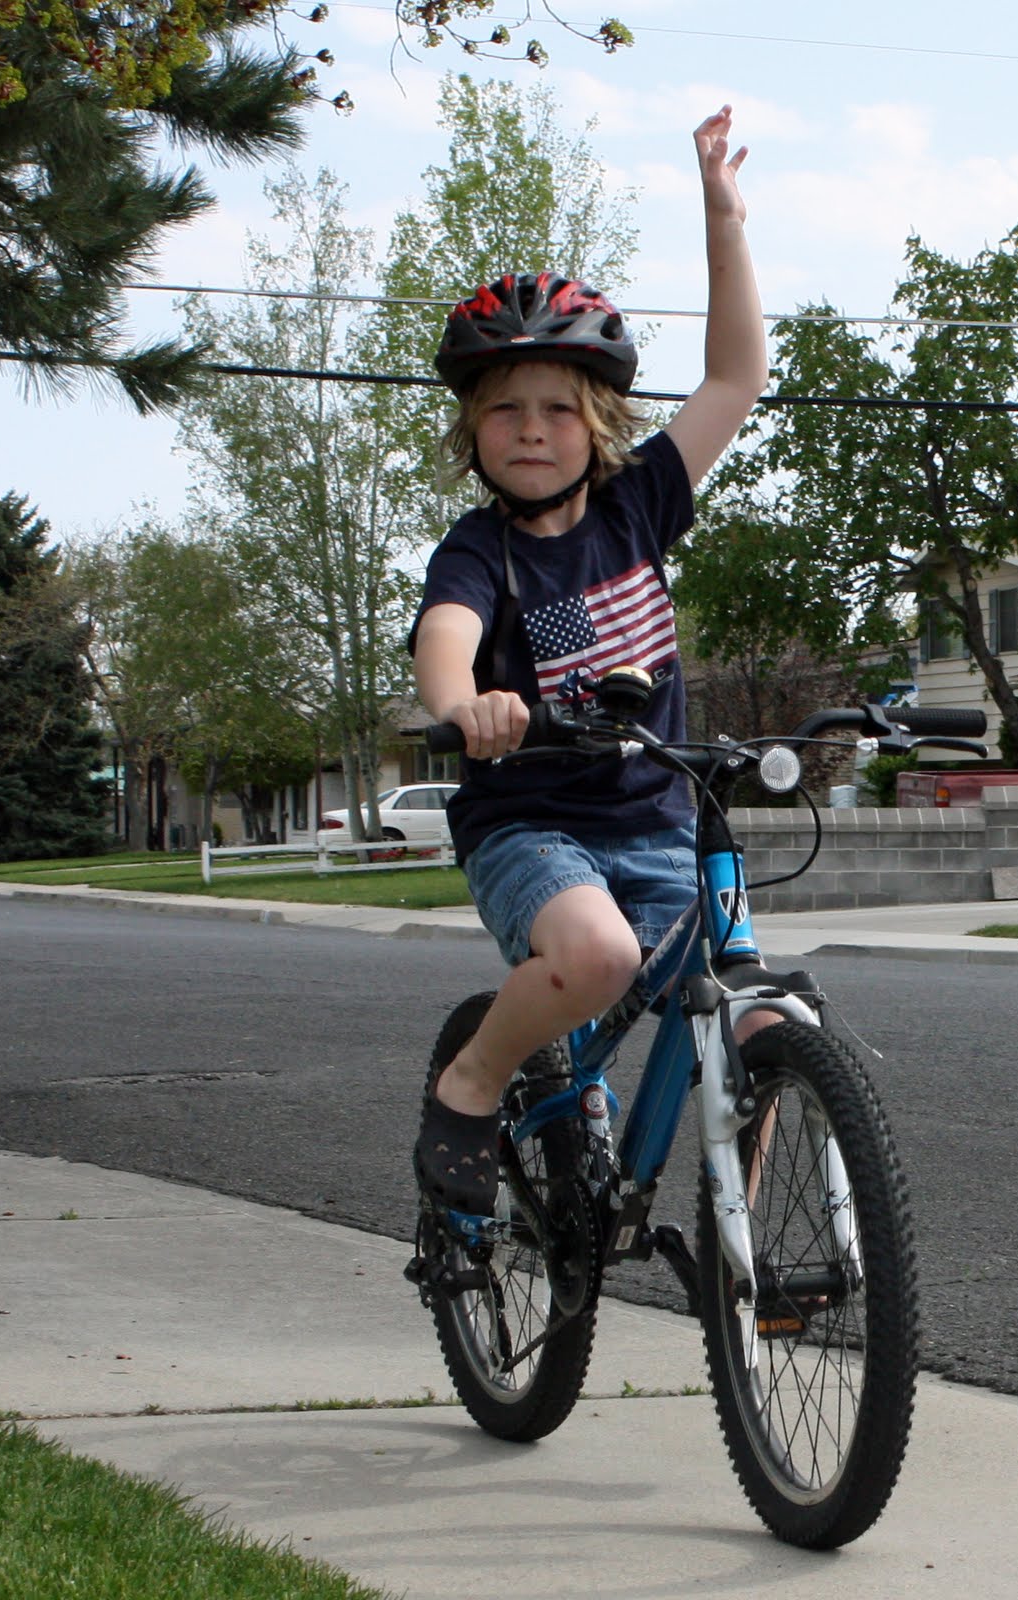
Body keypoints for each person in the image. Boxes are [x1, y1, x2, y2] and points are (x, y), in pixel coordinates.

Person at [409, 106, 771, 1217]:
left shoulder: (639, 507)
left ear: (599, 424)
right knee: (602, 958)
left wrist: (723, 216)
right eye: (505, 410)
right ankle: (472, 1084)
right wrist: (464, 707)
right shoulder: (480, 551)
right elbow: (447, 639)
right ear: (472, 432)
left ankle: (752, 1242)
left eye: (558, 410)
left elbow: (734, 379)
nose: (531, 429)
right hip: (532, 822)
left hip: (661, 813)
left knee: (762, 1018)